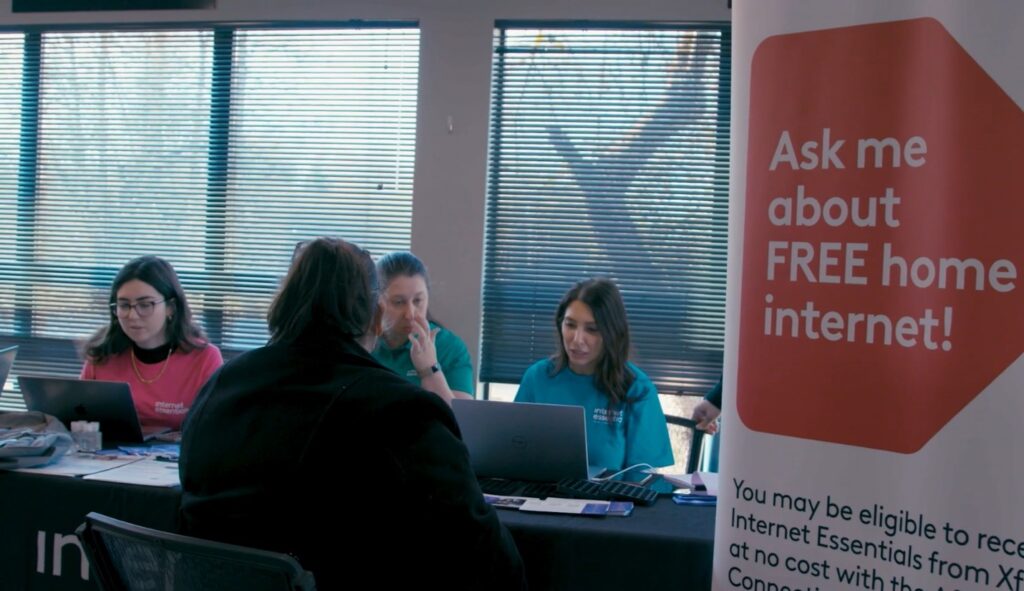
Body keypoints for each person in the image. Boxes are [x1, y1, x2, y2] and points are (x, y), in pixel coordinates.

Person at [178, 238, 525, 591]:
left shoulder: (220, 387)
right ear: (375, 316)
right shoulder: (399, 410)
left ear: (282, 304)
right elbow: (479, 546)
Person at [515, 277, 674, 472]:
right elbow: (514, 453)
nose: (577, 339)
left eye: (592, 329)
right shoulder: (537, 377)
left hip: (608, 500)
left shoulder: (638, 388)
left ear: (611, 332)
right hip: (539, 497)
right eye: (570, 325)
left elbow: (643, 481)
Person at [81, 256, 222, 431]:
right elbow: (80, 420)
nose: (132, 316)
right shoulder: (102, 354)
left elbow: (215, 429)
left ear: (171, 307)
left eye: (145, 304)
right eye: (124, 305)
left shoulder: (204, 358)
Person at [372, 251, 474, 404]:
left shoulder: (450, 347)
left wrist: (429, 370)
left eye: (418, 300)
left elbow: (460, 421)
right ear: (377, 301)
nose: (410, 314)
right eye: (399, 302)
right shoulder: (362, 342)